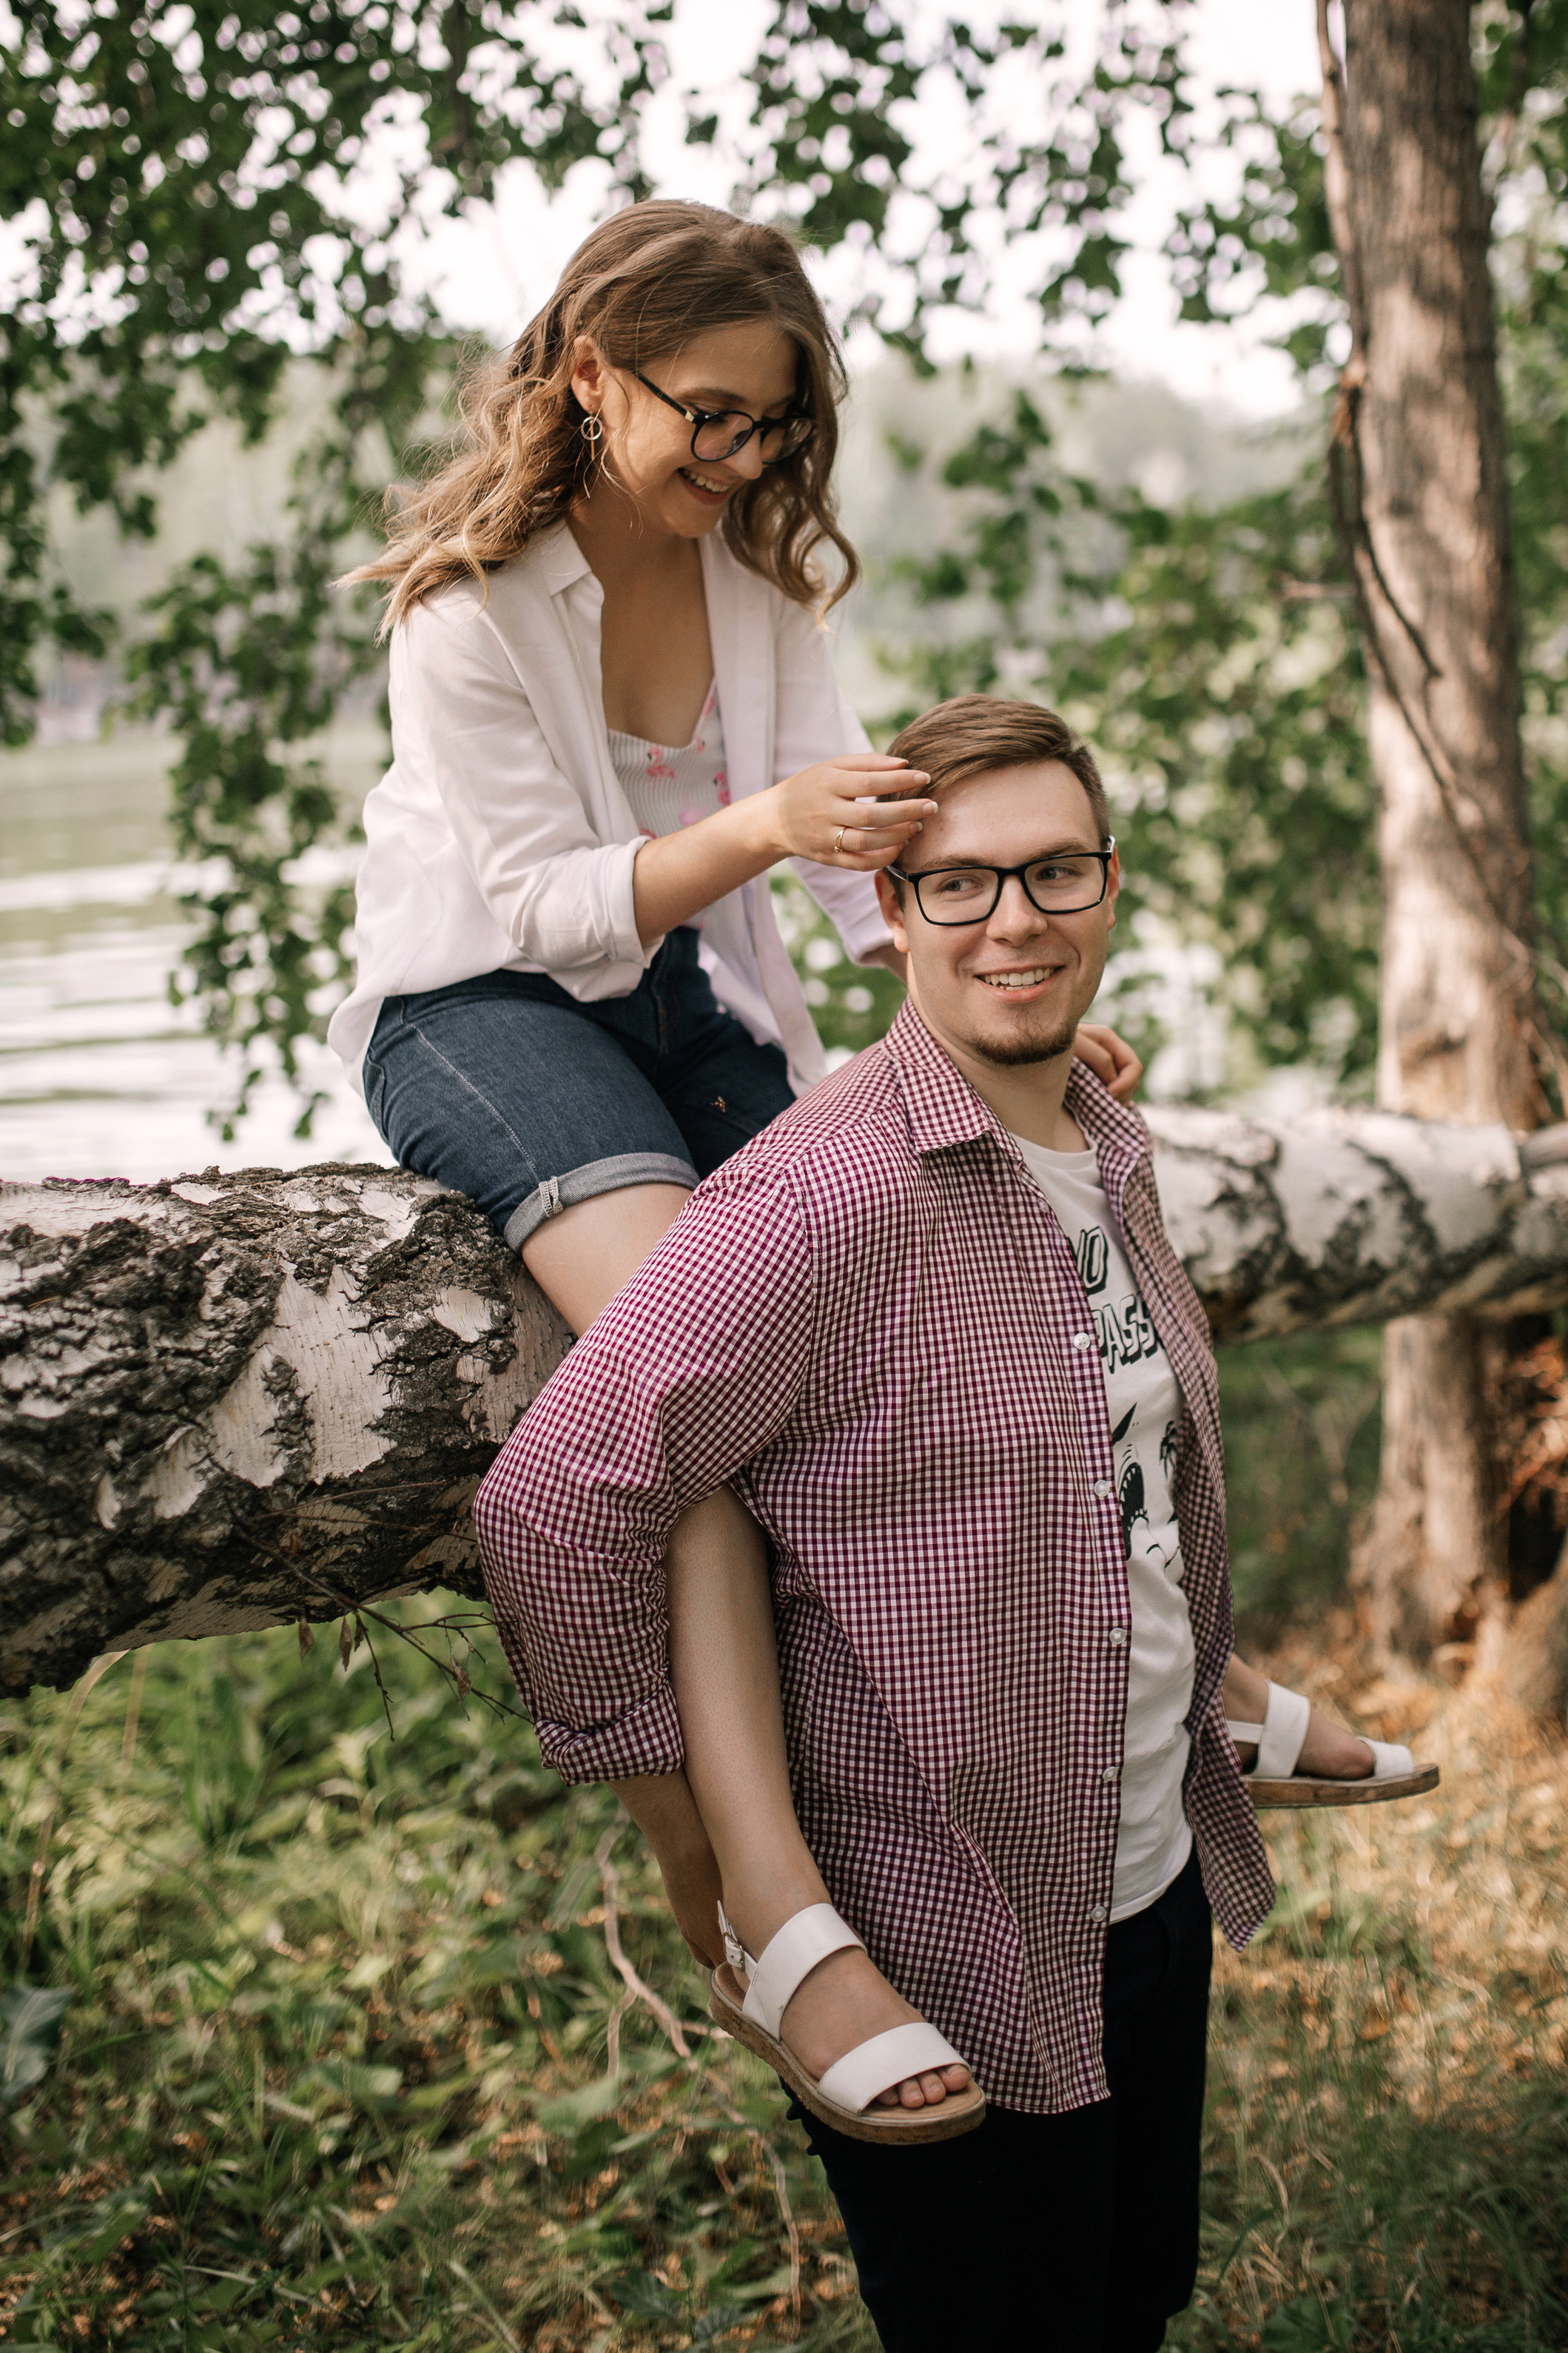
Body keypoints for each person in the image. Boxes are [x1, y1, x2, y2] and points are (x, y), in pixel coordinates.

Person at [331, 201, 1145, 2118]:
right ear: (588, 377)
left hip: (689, 1003)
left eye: (773, 423)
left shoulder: (761, 595)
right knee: (705, 1394)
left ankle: (1170, 1694)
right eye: (709, 412)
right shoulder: (465, 614)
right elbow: (547, 906)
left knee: (941, 1292)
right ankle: (750, 1892)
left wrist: (994, 991)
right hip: (483, 1009)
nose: (744, 455)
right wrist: (768, 822)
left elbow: (863, 872)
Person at [474, 695, 1414, 2352]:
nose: (1015, 921)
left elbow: (1096, 1478)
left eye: (1054, 872)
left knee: (1129, 2302)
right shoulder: (819, 1197)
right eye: (959, 883)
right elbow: (556, 1504)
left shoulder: (1102, 1138)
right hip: (944, 1917)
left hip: (1142, 1858)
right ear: (890, 913)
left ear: (1110, 884)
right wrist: (693, 1845)